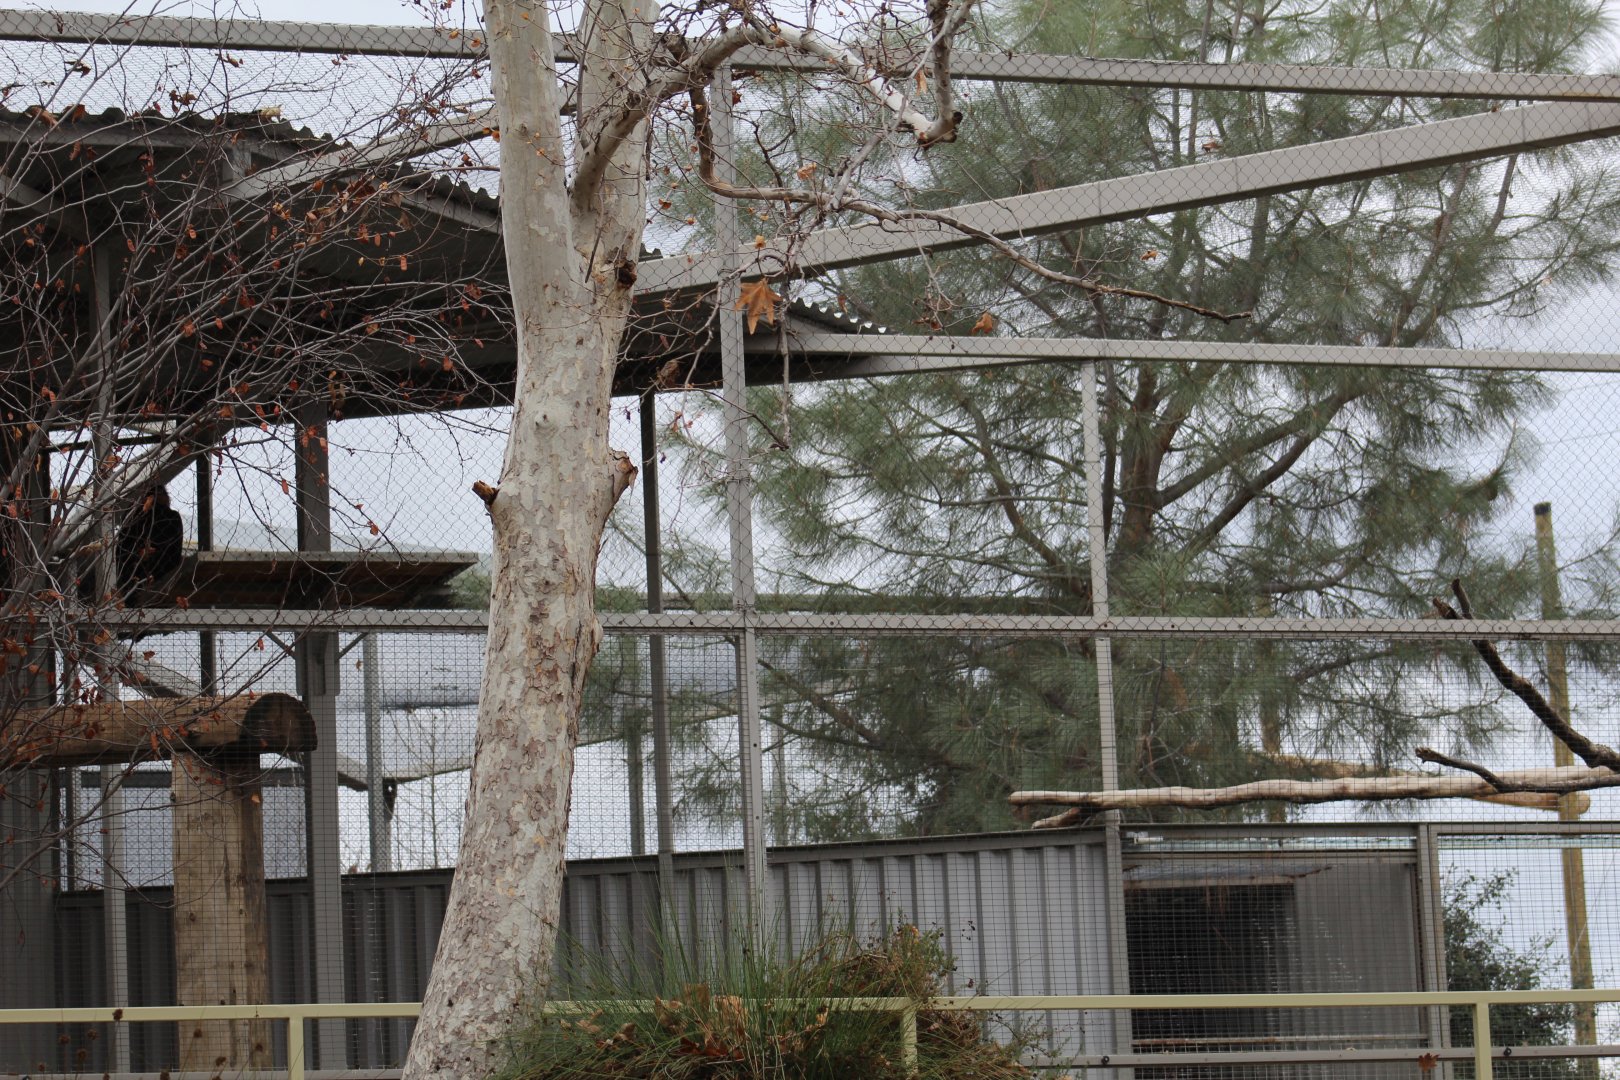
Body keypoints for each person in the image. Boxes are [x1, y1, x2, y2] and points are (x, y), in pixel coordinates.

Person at [116, 485, 184, 601]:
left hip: (132, 570)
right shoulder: (172, 517)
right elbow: (175, 555)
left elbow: (121, 548)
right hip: (161, 570)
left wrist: (138, 553)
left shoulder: (133, 515)